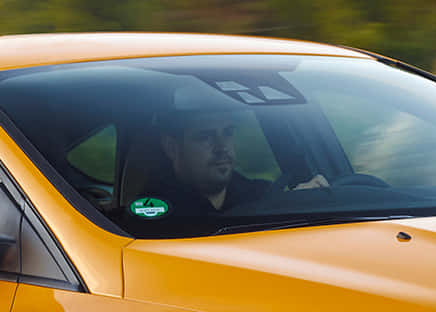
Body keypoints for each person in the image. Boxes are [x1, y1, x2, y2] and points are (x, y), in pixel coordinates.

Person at [138, 88, 327, 217]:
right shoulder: (152, 212)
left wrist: (298, 200)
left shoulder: (262, 194)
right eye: (206, 137)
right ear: (172, 148)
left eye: (227, 133)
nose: (222, 147)